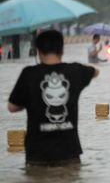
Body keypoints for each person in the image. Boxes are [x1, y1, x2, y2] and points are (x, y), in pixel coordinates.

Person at [8, 30, 99, 166]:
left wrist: (31, 99)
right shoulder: (75, 71)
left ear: (37, 50)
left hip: (37, 156)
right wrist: (75, 66)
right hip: (69, 154)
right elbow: (96, 71)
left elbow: (12, 107)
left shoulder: (29, 74)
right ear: (62, 49)